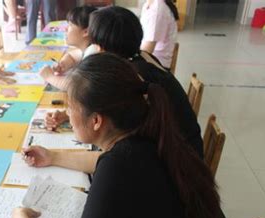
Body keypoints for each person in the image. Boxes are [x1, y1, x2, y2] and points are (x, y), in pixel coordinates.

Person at [14, 53, 231, 218]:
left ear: (96, 120)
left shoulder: (119, 166)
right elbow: (105, 161)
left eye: (70, 107)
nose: (67, 114)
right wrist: (54, 156)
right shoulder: (150, 128)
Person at [45, 6, 203, 157]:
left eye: (93, 44)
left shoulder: (131, 80)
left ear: (100, 49)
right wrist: (70, 115)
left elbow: (115, 158)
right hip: (185, 154)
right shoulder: (140, 57)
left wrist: (52, 156)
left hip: (177, 169)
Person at [39, 5, 98, 91]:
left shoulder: (93, 53)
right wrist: (64, 64)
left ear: (86, 32)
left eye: (70, 25)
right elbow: (72, 55)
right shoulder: (90, 47)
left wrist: (49, 76)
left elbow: (76, 87)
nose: (65, 29)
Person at [140, 0, 179, 69]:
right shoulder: (150, 4)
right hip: (151, 60)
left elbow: (146, 53)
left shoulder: (157, 10)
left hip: (156, 65)